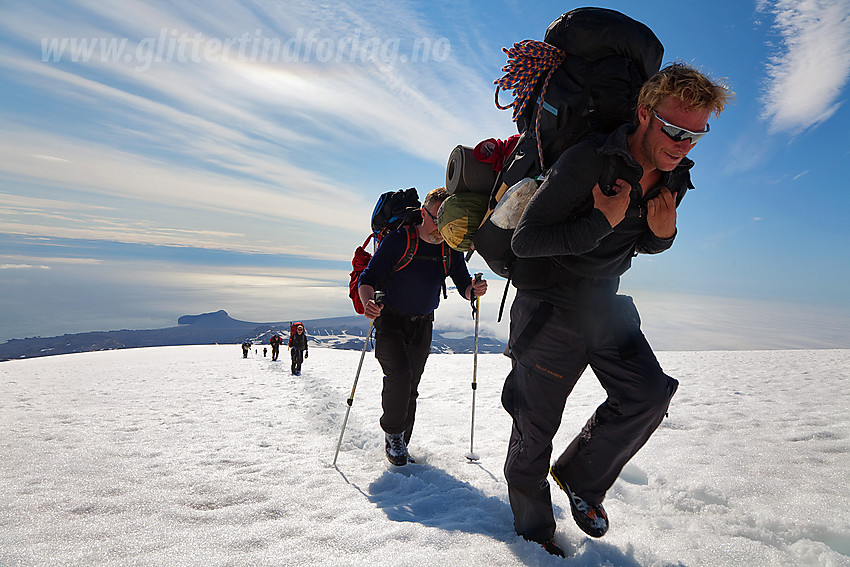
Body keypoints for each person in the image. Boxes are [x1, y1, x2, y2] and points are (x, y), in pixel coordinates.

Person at [502, 62, 732, 553]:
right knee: (534, 427)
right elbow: (526, 241)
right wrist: (597, 223)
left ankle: (581, 479)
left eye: (697, 135)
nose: (684, 145)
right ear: (645, 114)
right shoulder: (590, 160)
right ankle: (534, 536)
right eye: (673, 129)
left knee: (649, 393)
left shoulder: (677, 174)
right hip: (549, 308)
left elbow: (645, 244)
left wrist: (664, 233)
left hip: (604, 304)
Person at [358, 187, 488, 466]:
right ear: (423, 213)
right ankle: (393, 436)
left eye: (445, 219)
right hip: (389, 319)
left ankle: (402, 440)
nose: (441, 226)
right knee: (401, 375)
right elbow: (367, 278)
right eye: (436, 218)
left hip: (423, 323)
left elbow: (462, 282)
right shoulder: (400, 240)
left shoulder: (448, 248)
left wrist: (473, 290)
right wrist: (369, 303)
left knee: (412, 385)